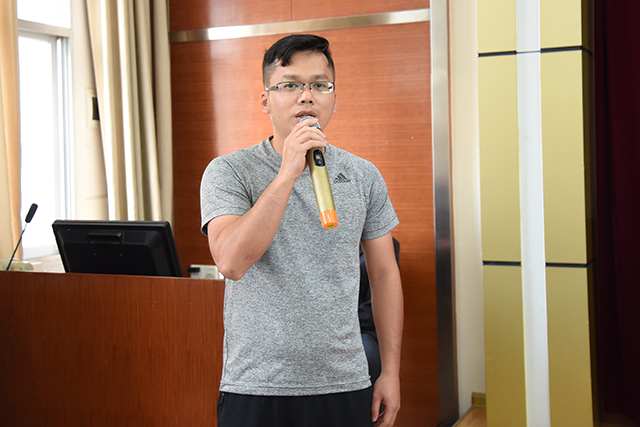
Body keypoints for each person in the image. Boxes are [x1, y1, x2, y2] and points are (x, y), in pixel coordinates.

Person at [200, 34, 404, 427]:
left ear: (334, 99)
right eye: (290, 85)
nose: (306, 96)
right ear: (266, 100)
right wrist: (287, 174)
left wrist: (391, 371)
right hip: (257, 384)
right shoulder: (228, 172)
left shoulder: (363, 175)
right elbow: (231, 262)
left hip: (345, 380)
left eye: (319, 85)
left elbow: (383, 274)